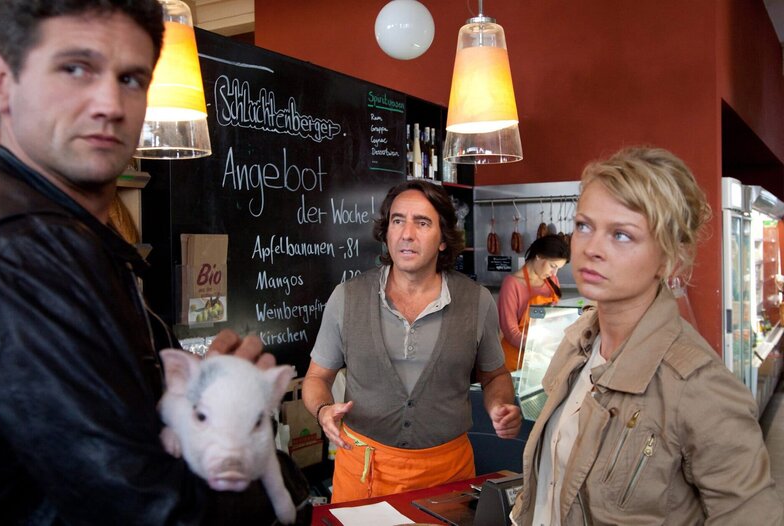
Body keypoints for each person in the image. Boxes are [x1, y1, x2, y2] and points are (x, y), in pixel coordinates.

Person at [0, 1, 306, 524]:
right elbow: (143, 506)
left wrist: (212, 402)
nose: (110, 103)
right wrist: (285, 485)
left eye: (132, 78)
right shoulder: (19, 254)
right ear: (2, 81)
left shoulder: (79, 237)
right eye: (75, 68)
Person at [510, 147, 784, 525]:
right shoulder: (577, 341)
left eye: (621, 235)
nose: (591, 249)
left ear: (668, 259)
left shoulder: (700, 387)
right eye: (584, 226)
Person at [303, 179, 522, 502]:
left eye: (422, 223)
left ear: (444, 239)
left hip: (447, 477)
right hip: (363, 472)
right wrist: (322, 410)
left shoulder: (476, 302)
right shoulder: (347, 298)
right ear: (387, 232)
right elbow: (317, 377)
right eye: (397, 221)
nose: (407, 233)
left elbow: (494, 376)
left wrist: (501, 405)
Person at [498, 235, 570, 371]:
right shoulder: (512, 284)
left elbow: (556, 320)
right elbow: (510, 332)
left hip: (543, 360)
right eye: (552, 266)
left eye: (558, 268)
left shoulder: (552, 281)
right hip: (516, 360)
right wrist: (536, 346)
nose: (554, 272)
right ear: (538, 256)